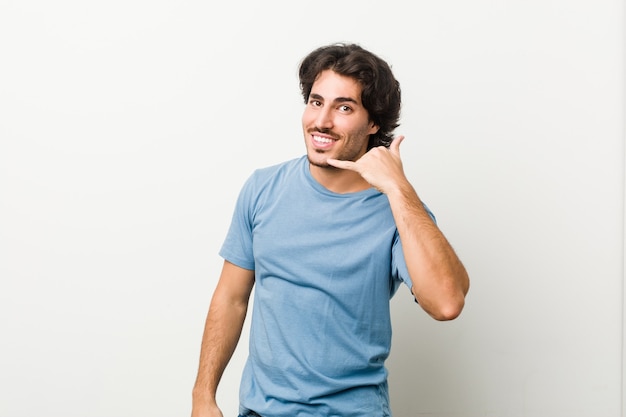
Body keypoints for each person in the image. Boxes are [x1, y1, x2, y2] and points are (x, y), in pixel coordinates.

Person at [191, 42, 470, 417]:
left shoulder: (400, 212)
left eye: (344, 107)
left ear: (374, 123)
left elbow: (447, 302)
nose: (322, 121)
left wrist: (398, 188)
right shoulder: (262, 189)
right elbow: (230, 298)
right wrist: (203, 396)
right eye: (316, 102)